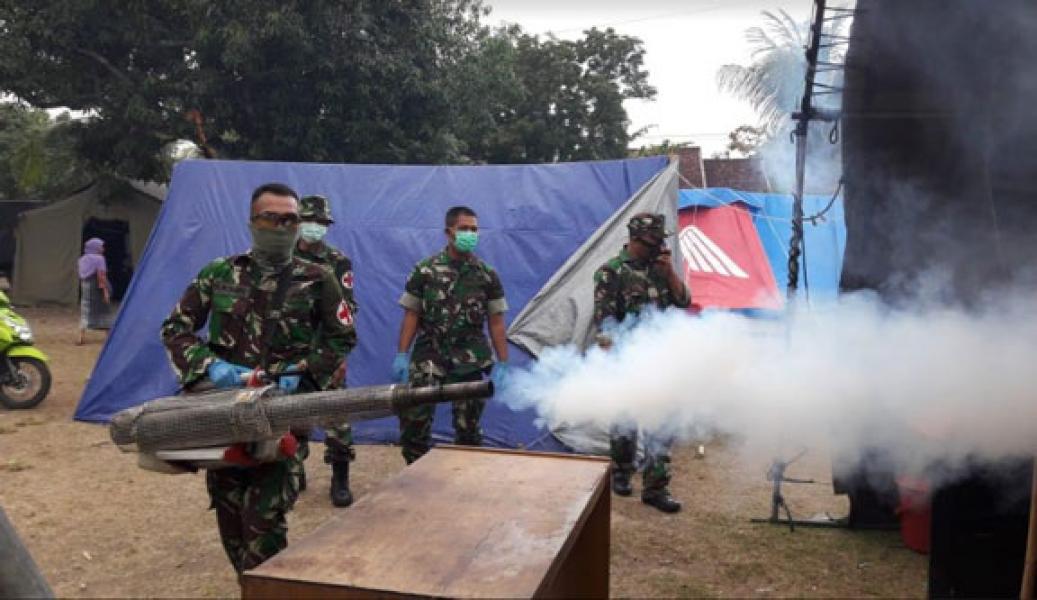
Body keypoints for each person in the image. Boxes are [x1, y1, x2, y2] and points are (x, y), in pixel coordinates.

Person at [160, 182, 357, 574]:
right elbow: (176, 328)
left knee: (263, 526)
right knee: (231, 523)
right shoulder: (220, 272)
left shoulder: (318, 279)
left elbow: (342, 338)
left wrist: (302, 374)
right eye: (272, 218)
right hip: (224, 413)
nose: (282, 227)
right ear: (252, 222)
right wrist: (210, 367)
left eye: (290, 220)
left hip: (281, 418)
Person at [392, 206, 509, 464]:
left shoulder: (487, 275)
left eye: (474, 229)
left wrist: (503, 362)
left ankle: (462, 480)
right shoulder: (425, 270)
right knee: (414, 422)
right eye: (464, 228)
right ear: (449, 232)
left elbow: (496, 321)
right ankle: (417, 476)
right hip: (429, 355)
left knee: (468, 429)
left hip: (470, 358)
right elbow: (411, 315)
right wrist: (402, 354)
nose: (470, 234)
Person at [593, 212, 691, 513]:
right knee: (624, 420)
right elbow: (605, 321)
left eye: (661, 242)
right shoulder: (611, 272)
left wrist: (670, 272)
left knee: (662, 422)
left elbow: (685, 301)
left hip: (660, 357)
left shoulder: (660, 270)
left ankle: (656, 487)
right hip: (625, 357)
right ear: (635, 239)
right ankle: (621, 472)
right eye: (652, 242)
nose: (658, 247)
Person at [295, 194, 359, 507]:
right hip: (289, 353)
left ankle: (340, 477)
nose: (314, 227)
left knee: (336, 415)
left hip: (327, 352)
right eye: (309, 221)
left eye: (320, 222)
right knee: (290, 414)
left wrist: (340, 356)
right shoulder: (281, 258)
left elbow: (346, 310)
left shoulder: (338, 261)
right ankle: (292, 470)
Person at [77, 237, 112, 345]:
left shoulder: (82, 259)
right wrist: (105, 291)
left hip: (85, 287)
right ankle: (109, 336)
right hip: (96, 287)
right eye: (101, 246)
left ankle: (81, 337)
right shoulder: (99, 259)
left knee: (86, 310)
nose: (103, 249)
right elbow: (101, 275)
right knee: (103, 309)